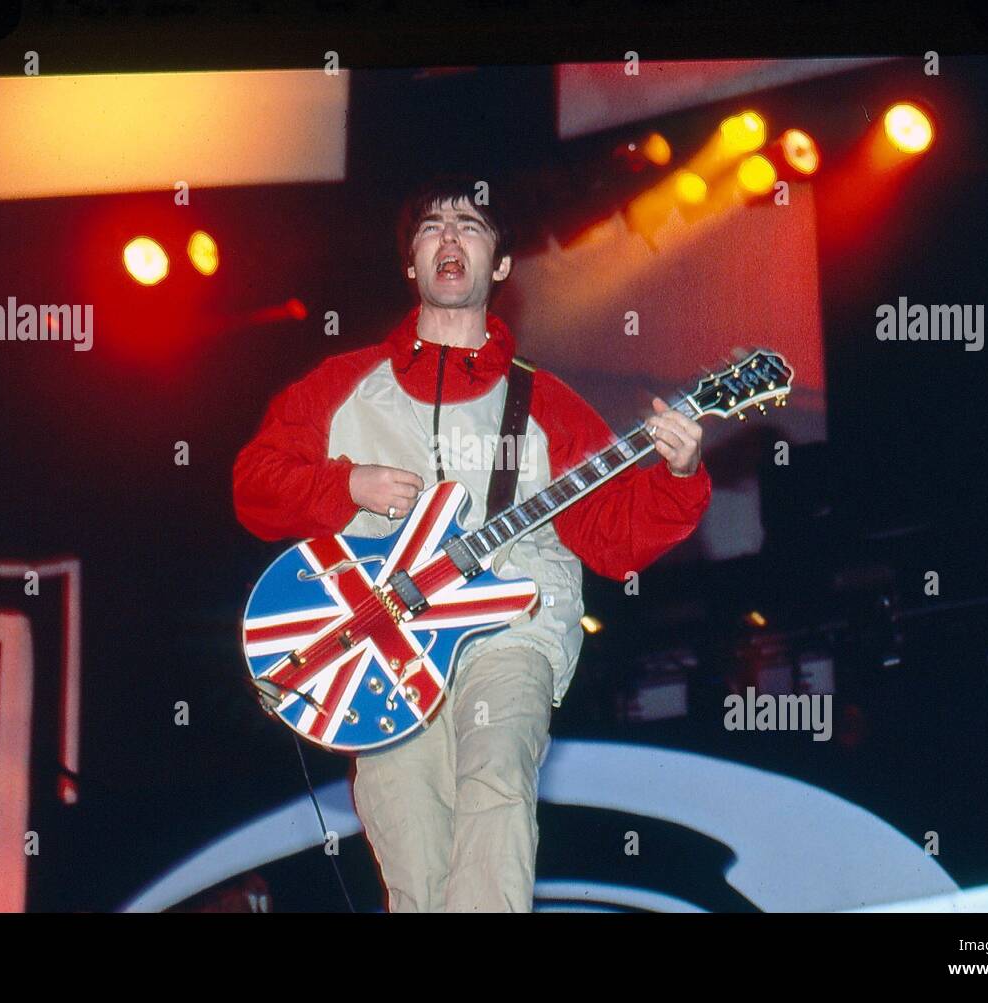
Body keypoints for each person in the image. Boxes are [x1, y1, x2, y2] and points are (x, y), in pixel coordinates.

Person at [232, 175, 712, 912]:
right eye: (431, 226)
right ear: (410, 264)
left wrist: (678, 474)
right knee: (414, 849)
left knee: (496, 778)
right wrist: (347, 483)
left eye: (471, 225)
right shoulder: (343, 384)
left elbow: (612, 538)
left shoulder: (546, 402)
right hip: (381, 644)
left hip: (511, 628)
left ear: (501, 265)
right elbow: (254, 485)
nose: (450, 238)